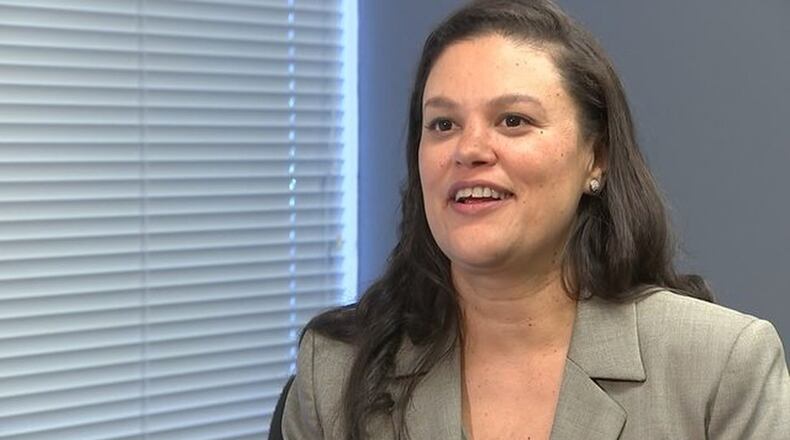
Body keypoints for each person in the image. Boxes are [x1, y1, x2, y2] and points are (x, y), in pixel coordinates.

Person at [281, 0, 790, 438]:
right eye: (443, 124)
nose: (469, 149)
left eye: (513, 121)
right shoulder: (337, 369)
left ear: (596, 159)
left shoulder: (720, 367)